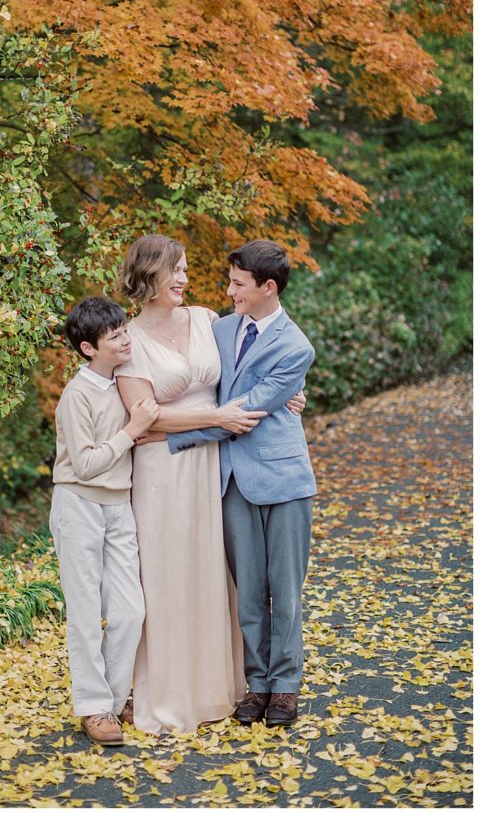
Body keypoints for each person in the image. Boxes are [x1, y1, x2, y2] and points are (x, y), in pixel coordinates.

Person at [115, 235, 304, 734]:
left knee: (251, 585)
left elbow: (250, 388)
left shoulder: (229, 326)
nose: (186, 279)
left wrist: (290, 395)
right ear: (150, 275)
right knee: (197, 584)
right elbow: (151, 413)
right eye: (175, 270)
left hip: (230, 465)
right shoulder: (169, 334)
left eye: (185, 269)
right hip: (187, 471)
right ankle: (208, 688)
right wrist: (202, 420)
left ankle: (260, 687)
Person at [168, 240, 316, 728]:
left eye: (238, 284)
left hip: (285, 479)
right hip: (230, 478)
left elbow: (246, 411)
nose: (228, 290)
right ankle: (257, 685)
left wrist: (172, 435)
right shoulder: (220, 327)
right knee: (248, 590)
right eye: (229, 281)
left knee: (285, 591)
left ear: (267, 288)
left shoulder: (297, 347)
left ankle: (286, 687)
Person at [49, 296, 159, 746]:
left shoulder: (124, 385)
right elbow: (87, 464)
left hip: (120, 507)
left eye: (125, 331)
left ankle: (114, 702)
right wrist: (131, 431)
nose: (126, 340)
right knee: (85, 613)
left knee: (131, 611)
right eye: (115, 337)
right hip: (78, 504)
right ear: (89, 349)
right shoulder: (76, 396)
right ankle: (94, 708)